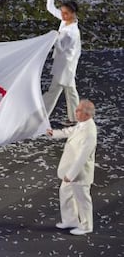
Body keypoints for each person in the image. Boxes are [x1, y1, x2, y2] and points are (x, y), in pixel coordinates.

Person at [46, 99, 97, 236]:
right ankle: (70, 220)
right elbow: (68, 131)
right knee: (65, 193)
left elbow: (82, 158)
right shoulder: (81, 125)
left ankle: (86, 225)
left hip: (79, 174)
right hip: (70, 170)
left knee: (82, 199)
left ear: (87, 114)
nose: (76, 111)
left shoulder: (89, 132)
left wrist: (71, 174)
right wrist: (54, 133)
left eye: (78, 110)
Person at [43, 0, 81, 126]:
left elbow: (60, 46)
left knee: (54, 90)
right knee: (70, 91)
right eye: (62, 12)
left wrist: (54, 37)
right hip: (66, 63)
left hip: (66, 64)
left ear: (73, 14)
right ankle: (75, 119)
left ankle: (41, 115)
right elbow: (50, 8)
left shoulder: (70, 32)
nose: (63, 15)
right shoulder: (67, 21)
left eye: (66, 13)